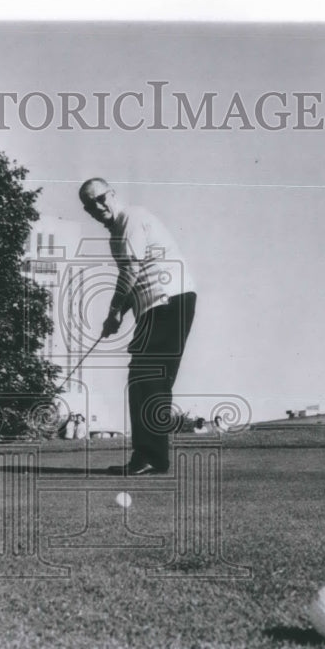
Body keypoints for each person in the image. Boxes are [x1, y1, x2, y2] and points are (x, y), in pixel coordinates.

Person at [78, 178, 197, 475]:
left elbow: (131, 270)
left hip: (168, 301)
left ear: (113, 194)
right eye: (90, 205)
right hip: (154, 307)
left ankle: (151, 456)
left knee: (149, 377)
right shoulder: (115, 236)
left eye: (100, 198)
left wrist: (113, 312)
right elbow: (132, 280)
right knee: (143, 379)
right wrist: (118, 314)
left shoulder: (131, 217)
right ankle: (149, 456)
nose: (97, 206)